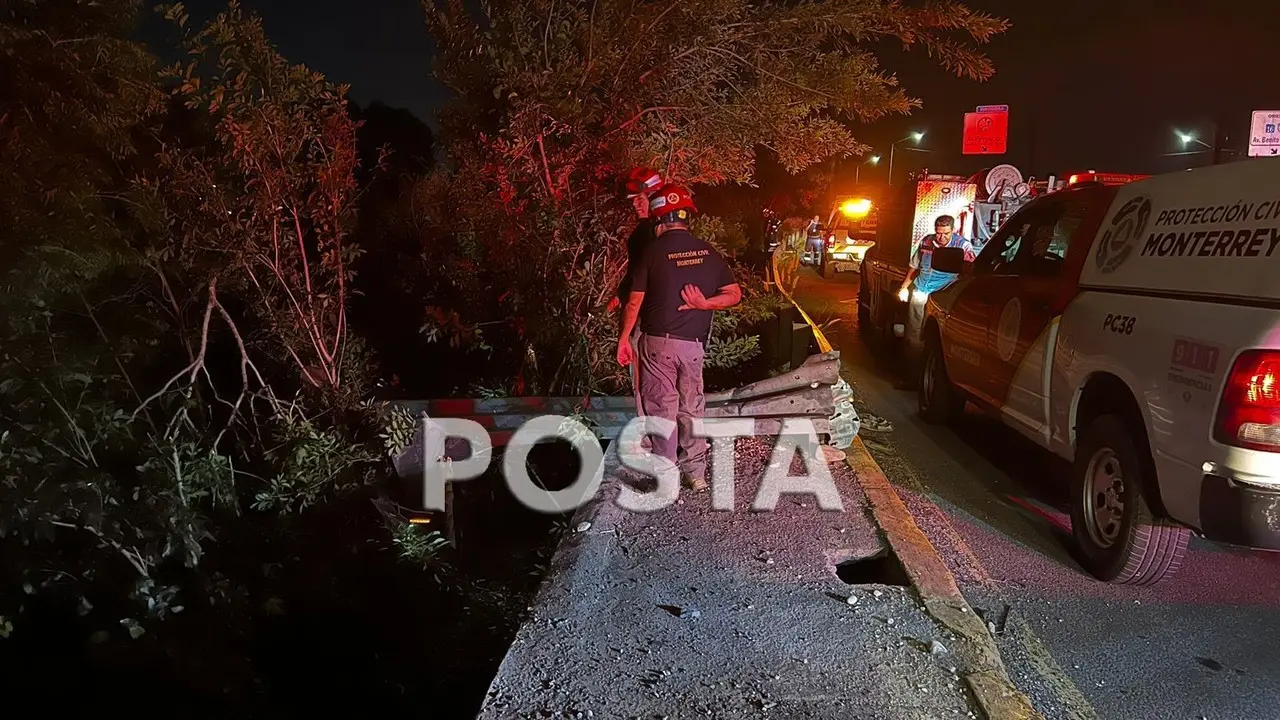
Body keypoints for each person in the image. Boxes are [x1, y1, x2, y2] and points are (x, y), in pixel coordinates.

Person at [616, 186, 741, 492]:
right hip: (694, 346)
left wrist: (623, 338)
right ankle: (696, 473)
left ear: (660, 221)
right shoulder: (707, 250)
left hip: (658, 344)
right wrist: (705, 304)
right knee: (692, 407)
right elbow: (734, 294)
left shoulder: (652, 252)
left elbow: (634, 302)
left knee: (661, 408)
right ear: (687, 219)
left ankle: (666, 475)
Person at [609, 166, 665, 419]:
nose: (636, 205)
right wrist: (618, 296)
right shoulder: (673, 231)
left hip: (646, 320)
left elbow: (639, 283)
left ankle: (651, 436)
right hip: (673, 326)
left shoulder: (647, 234)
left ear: (656, 197)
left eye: (641, 199)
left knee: (646, 383)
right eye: (633, 201)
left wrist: (624, 333)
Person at [897, 214, 976, 343]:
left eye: (946, 233)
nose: (942, 237)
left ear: (953, 230)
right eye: (938, 233)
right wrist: (904, 287)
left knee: (934, 325)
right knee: (914, 323)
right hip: (922, 288)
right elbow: (914, 266)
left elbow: (970, 271)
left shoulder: (963, 246)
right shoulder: (926, 241)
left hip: (943, 291)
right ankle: (913, 352)